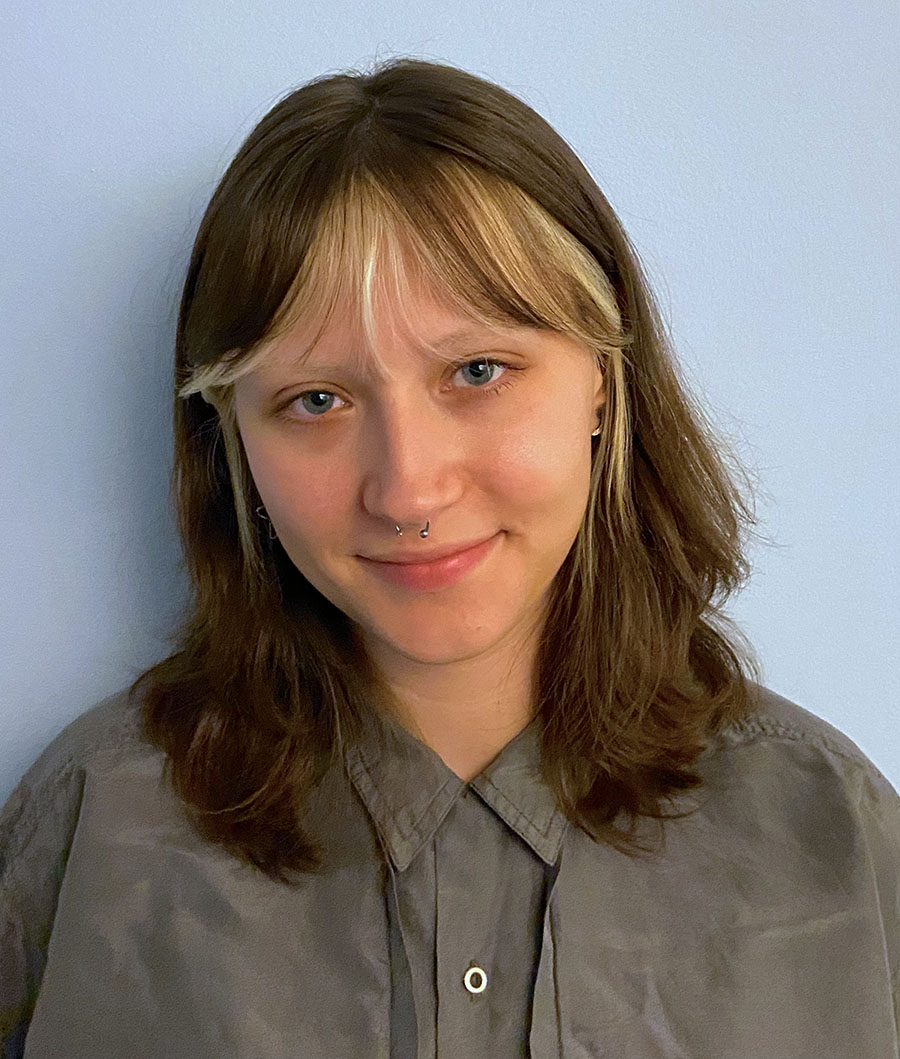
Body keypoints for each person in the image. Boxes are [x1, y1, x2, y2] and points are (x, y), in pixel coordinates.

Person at [1, 56, 897, 1059]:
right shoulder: (89, 839)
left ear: (604, 379)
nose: (409, 489)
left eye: (477, 371)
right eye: (317, 400)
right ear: (230, 436)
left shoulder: (838, 840)